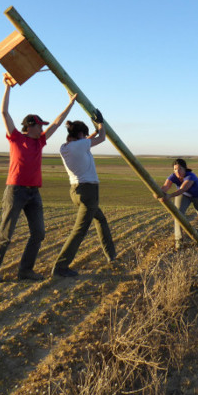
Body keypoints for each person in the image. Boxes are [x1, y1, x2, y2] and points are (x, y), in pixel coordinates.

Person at [0, 73, 77, 283]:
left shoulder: (40, 142)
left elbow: (56, 122)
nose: (43, 128)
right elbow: (4, 112)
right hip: (15, 190)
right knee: (6, 233)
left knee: (39, 233)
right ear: (30, 126)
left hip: (33, 193)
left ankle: (25, 270)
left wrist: (70, 103)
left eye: (42, 126)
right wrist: (7, 88)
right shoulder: (16, 138)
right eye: (39, 126)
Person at [51, 110, 116, 277]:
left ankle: (111, 256)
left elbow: (86, 141)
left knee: (100, 219)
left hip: (76, 190)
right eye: (85, 134)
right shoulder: (80, 145)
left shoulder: (66, 147)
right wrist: (101, 123)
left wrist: (92, 131)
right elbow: (101, 138)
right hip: (88, 191)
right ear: (80, 134)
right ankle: (60, 266)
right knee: (79, 231)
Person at [159, 158, 198, 251]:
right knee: (177, 214)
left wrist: (169, 195)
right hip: (184, 195)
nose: (177, 171)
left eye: (179, 169)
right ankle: (179, 243)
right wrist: (157, 193)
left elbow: (182, 189)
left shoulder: (190, 176)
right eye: (175, 169)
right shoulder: (173, 176)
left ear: (185, 169)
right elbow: (165, 186)